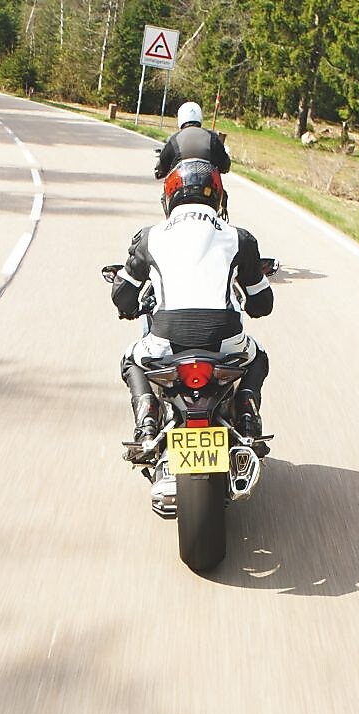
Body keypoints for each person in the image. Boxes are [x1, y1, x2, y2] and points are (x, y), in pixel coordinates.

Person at [110, 157, 274, 461]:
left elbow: (122, 295)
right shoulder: (240, 238)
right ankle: (248, 417)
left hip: (165, 339)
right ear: (219, 196)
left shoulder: (149, 237)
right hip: (226, 340)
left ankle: (146, 421)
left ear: (169, 197)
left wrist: (129, 305)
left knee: (131, 358)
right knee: (258, 355)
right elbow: (262, 304)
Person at [154, 101, 231, 180]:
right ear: (200, 117)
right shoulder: (212, 137)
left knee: (166, 191)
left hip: (180, 187)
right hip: (207, 187)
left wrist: (160, 171)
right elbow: (224, 164)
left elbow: (161, 166)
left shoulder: (174, 139)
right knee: (222, 192)